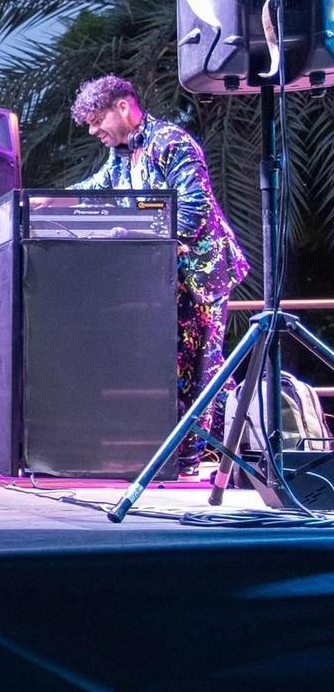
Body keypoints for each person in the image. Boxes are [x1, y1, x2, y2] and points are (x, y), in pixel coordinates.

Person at [68, 74, 249, 475]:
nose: (94, 130)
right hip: (167, 278)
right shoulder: (120, 156)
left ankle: (194, 457)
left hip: (201, 274)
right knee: (186, 365)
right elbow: (96, 188)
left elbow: (194, 207)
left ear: (123, 106)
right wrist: (51, 200)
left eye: (97, 120)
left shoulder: (172, 142)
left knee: (200, 365)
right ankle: (224, 446)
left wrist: (164, 246)